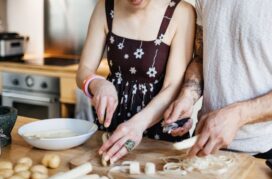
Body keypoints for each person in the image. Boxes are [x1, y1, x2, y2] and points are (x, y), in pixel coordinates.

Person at [164, 0, 272, 164]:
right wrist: (188, 96)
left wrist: (237, 115)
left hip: (270, 148)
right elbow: (202, 57)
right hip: (207, 140)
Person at [76, 0, 195, 164]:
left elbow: (173, 85)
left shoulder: (181, 12)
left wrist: (137, 125)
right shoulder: (105, 7)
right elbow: (84, 69)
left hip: (159, 131)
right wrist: (98, 84)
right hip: (113, 129)